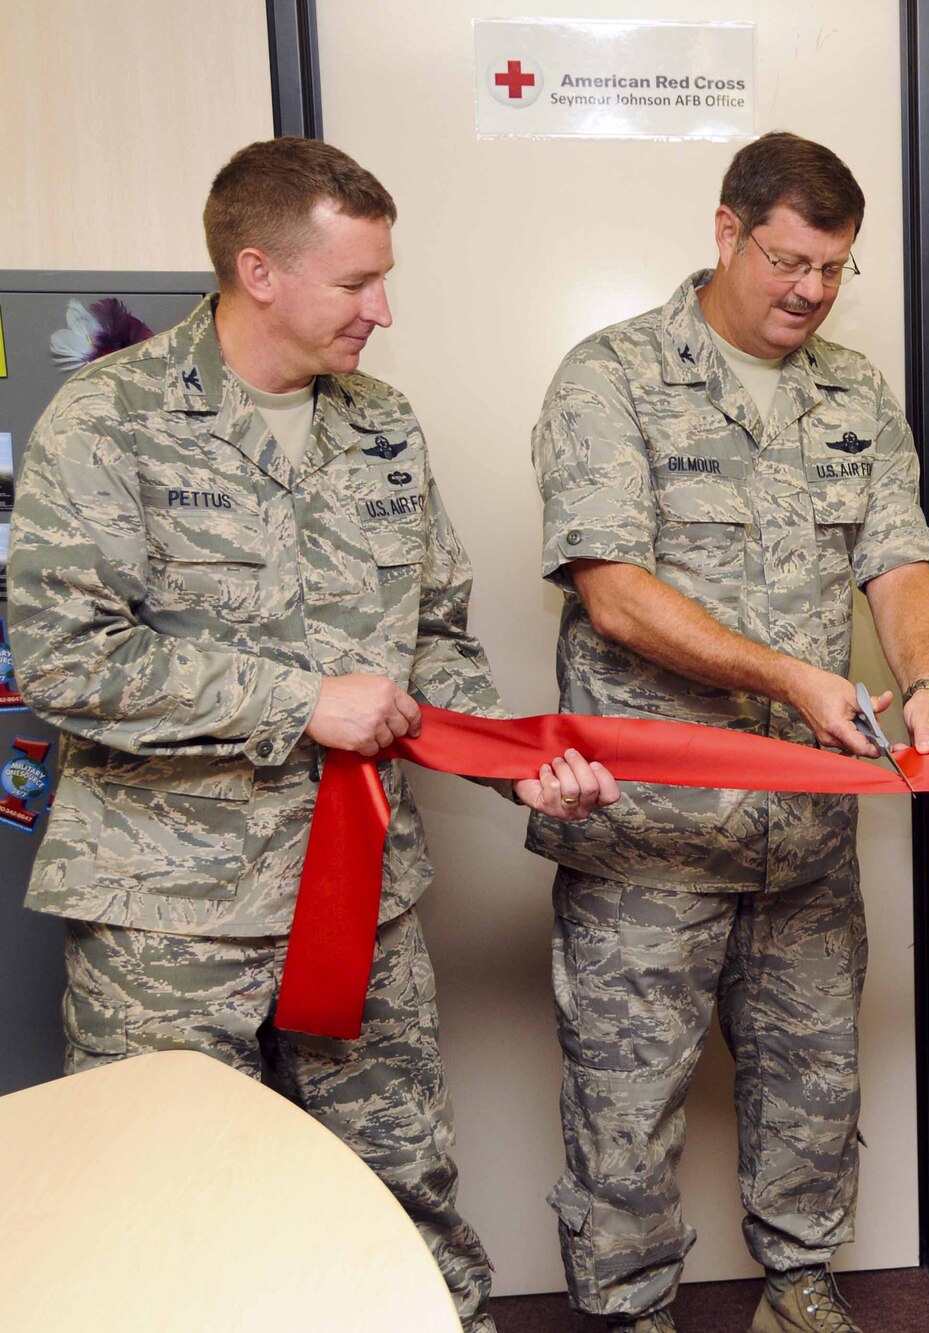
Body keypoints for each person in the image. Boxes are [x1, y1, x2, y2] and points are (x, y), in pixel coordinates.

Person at [7, 137, 620, 1333]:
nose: (383, 311)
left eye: (384, 278)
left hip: (358, 892)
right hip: (167, 923)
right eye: (356, 283)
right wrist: (298, 700)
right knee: (158, 1214)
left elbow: (433, 638)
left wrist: (512, 765)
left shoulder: (383, 427)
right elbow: (66, 661)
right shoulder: (109, 421)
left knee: (403, 1192)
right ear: (260, 271)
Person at [529, 130, 929, 1333]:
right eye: (787, 262)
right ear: (725, 233)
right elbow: (611, 588)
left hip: (805, 831)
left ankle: (801, 1289)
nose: (809, 293)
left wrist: (921, 677)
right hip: (647, 836)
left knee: (812, 1084)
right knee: (625, 1103)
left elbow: (898, 558)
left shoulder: (853, 392)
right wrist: (790, 676)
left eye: (833, 270)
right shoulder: (608, 376)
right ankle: (627, 1311)